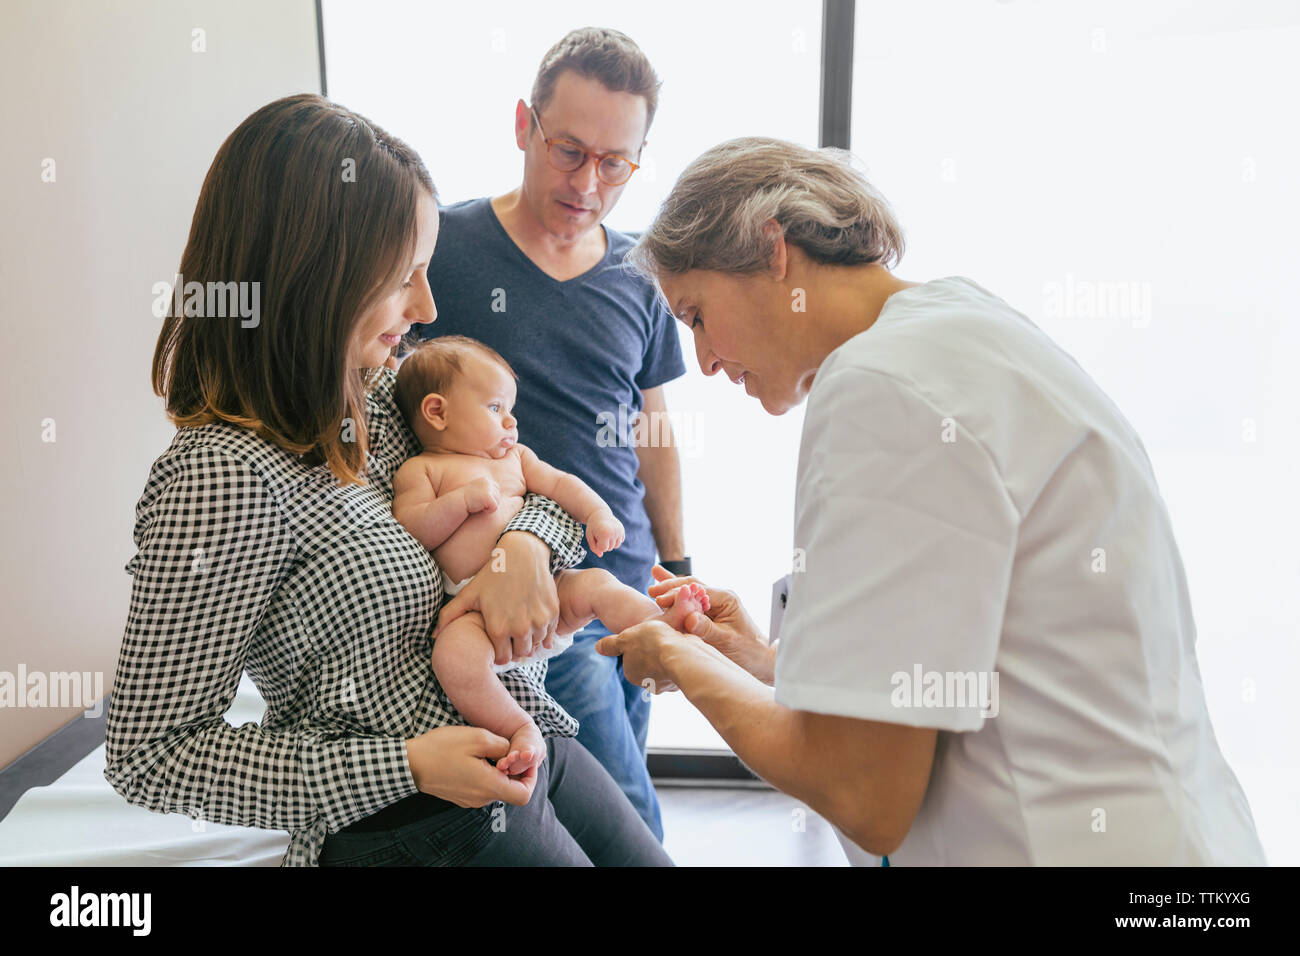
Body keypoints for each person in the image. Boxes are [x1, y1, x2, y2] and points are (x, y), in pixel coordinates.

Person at [598, 136, 1268, 865]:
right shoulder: (958, 330)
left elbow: (861, 792)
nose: (705, 361)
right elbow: (935, 672)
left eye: (695, 315)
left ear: (772, 251)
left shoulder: (884, 388)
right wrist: (759, 660)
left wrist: (679, 659)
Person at [104, 93, 672, 867]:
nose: (428, 305)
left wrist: (523, 555)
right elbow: (150, 756)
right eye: (404, 276)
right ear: (314, 275)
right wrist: (403, 764)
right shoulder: (220, 479)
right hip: (414, 822)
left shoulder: (383, 395)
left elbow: (527, 476)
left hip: (530, 741)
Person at [413, 27, 686, 840]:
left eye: (615, 163)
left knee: (614, 792)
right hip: (513, 599)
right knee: (618, 819)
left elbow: (653, 429)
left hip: (620, 575)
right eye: (568, 149)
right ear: (524, 124)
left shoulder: (642, 275)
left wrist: (677, 561)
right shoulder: (447, 251)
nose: (588, 182)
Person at [391, 335, 709, 779]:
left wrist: (597, 513)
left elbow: (561, 485)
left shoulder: (517, 459)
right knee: (452, 657)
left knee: (598, 584)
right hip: (474, 609)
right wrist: (459, 502)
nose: (511, 423)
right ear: (437, 412)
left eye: (511, 410)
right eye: (495, 408)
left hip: (549, 587)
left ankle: (661, 622)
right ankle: (520, 727)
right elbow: (410, 528)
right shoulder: (421, 470)